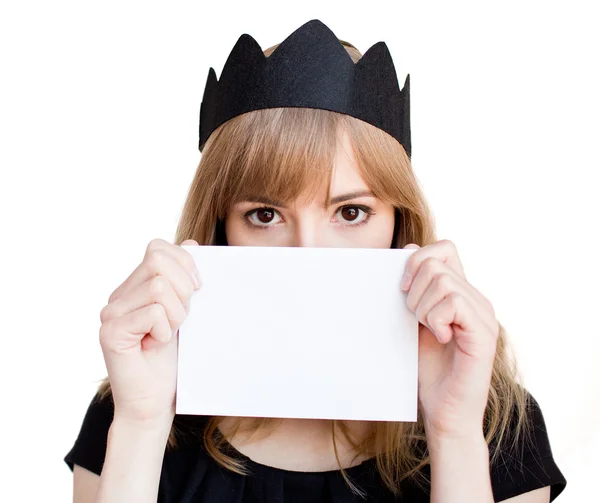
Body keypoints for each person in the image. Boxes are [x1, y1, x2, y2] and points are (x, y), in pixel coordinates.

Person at [64, 19, 567, 502]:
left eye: (351, 211)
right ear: (219, 230)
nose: (309, 254)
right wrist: (141, 423)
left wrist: (455, 433)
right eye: (264, 214)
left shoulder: (497, 425)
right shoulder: (132, 407)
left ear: (400, 224)